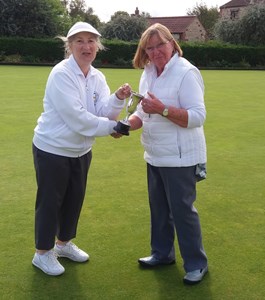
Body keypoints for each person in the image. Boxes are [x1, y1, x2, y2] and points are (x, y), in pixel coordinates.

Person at [32, 22, 131, 276]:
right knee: (50, 202)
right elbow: (77, 118)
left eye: (91, 41)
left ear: (97, 45)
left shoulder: (97, 76)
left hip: (81, 150)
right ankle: (42, 254)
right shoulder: (61, 73)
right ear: (70, 46)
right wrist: (113, 127)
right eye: (79, 41)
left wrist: (118, 98)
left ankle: (63, 244)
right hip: (53, 148)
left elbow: (101, 112)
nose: (86, 46)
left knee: (74, 198)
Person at [127, 23, 208, 285]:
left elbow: (197, 116)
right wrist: (126, 125)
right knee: (159, 209)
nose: (155, 51)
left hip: (181, 157)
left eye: (160, 45)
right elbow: (141, 111)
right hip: (155, 153)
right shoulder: (148, 72)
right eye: (149, 48)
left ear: (172, 43)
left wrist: (162, 109)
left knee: (182, 211)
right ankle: (162, 254)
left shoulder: (186, 72)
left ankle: (196, 264)